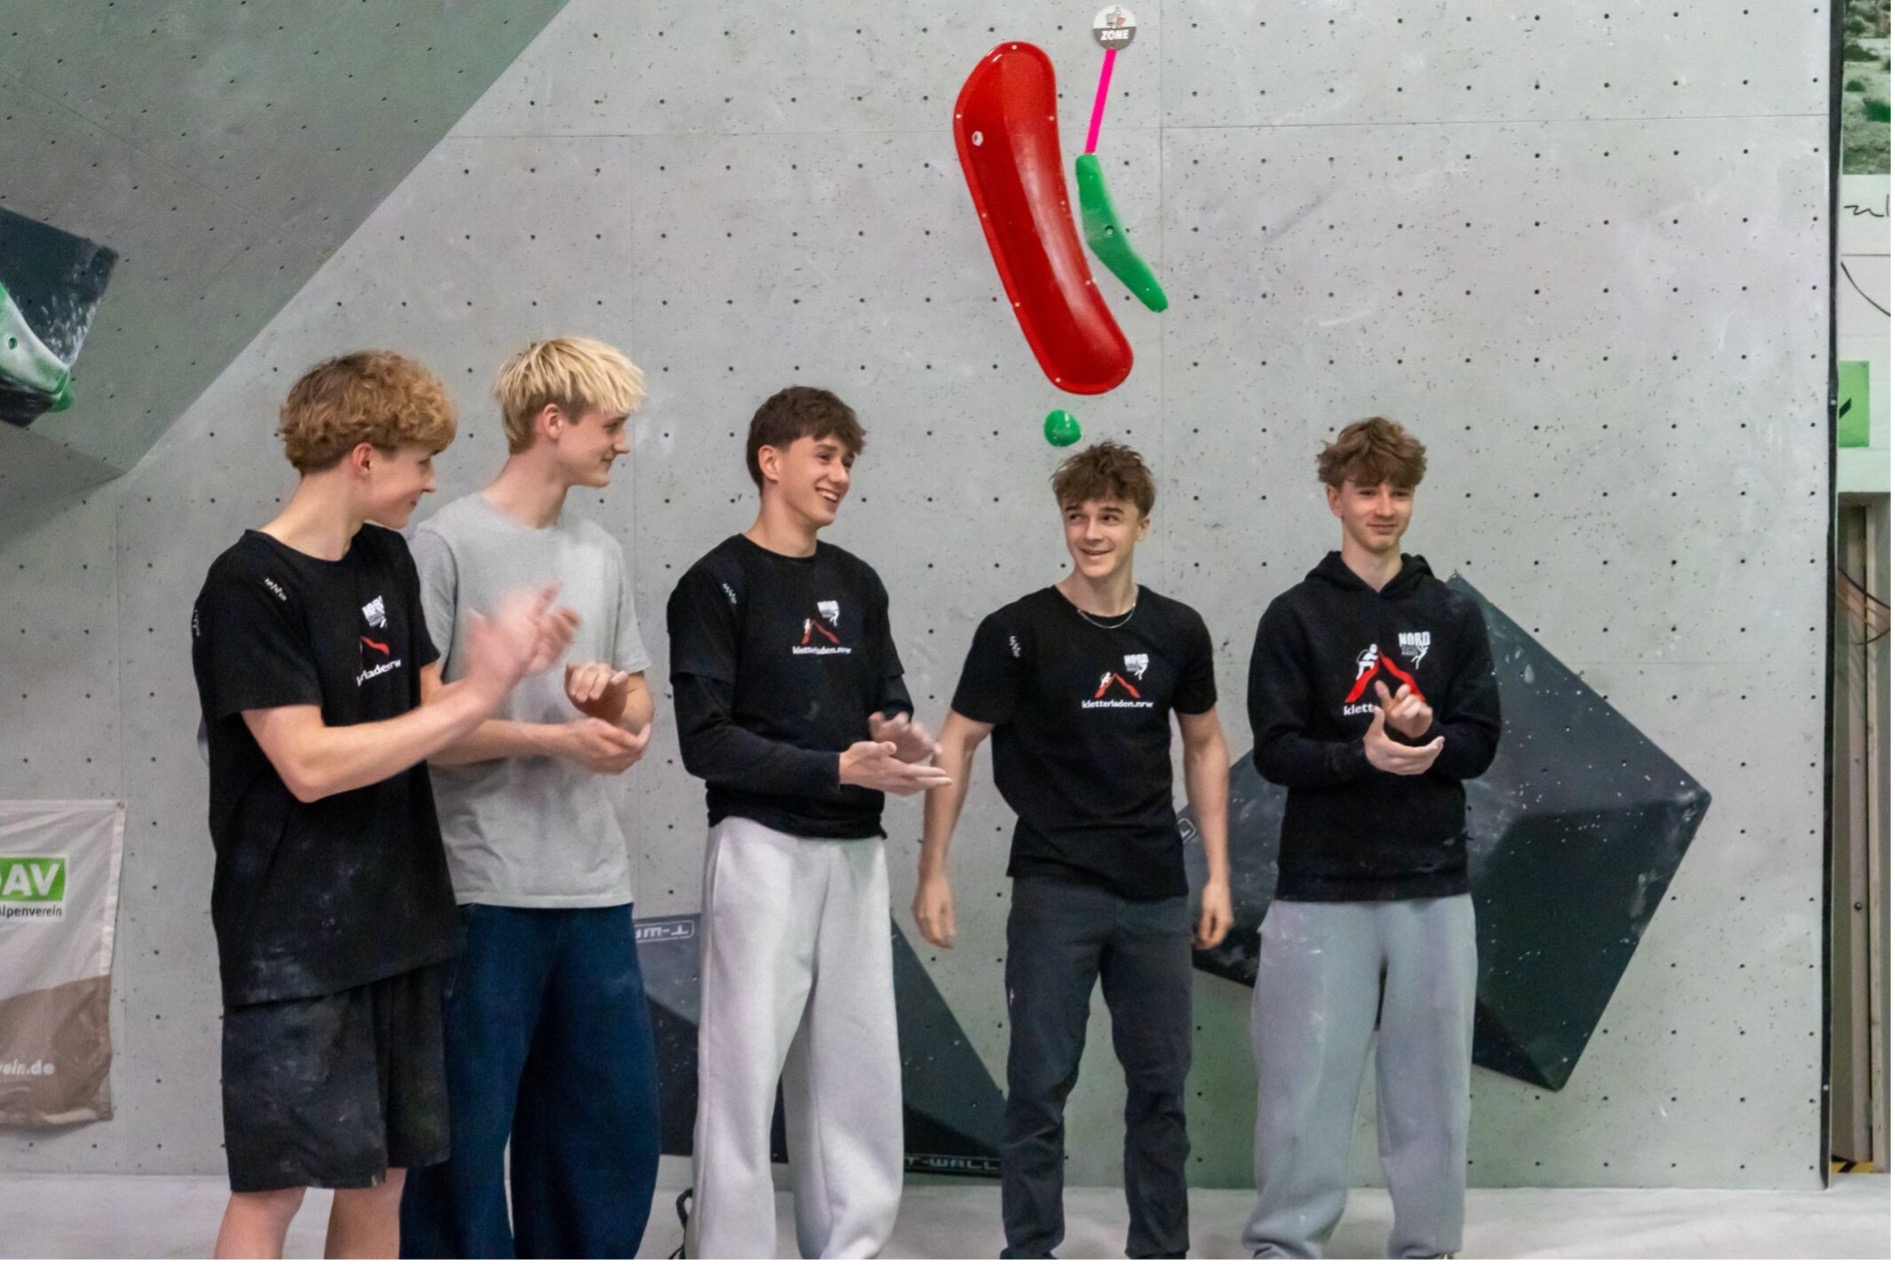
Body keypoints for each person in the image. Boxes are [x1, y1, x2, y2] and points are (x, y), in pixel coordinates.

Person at [190, 350, 571, 1259]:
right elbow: (309, 764)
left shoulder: (387, 559)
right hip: (289, 939)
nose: (431, 481)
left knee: (383, 1177)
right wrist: (478, 698)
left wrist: (501, 675)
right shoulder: (248, 587)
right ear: (363, 457)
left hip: (401, 918)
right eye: (420, 461)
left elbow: (428, 714)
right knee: (274, 1188)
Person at [914, 440, 1234, 1260]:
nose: (1091, 533)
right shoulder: (1015, 632)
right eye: (1077, 516)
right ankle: (1029, 1250)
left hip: (1155, 892)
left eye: (1109, 517)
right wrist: (933, 868)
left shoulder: (1176, 630)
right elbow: (956, 741)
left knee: (1160, 1090)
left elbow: (1204, 745)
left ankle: (1159, 1251)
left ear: (1141, 526)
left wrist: (1216, 876)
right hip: (1053, 890)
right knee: (1037, 1088)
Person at [666, 385, 950, 1258]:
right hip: (758, 848)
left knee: (856, 1068)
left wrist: (898, 737)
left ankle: (851, 1247)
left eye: (847, 460)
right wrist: (832, 768)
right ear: (770, 460)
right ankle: (728, 1251)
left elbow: (886, 698)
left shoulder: (857, 582)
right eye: (824, 455)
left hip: (855, 850)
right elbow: (705, 743)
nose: (840, 475)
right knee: (743, 1070)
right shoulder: (714, 584)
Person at [398, 337, 662, 1257]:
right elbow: (420, 730)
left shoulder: (601, 551)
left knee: (607, 1137)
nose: (622, 444)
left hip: (594, 891)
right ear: (552, 422)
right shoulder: (443, 544)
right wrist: (552, 737)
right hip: (480, 893)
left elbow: (638, 714)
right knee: (461, 1148)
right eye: (611, 424)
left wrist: (608, 700)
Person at [1240, 416, 1501, 1260]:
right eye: (1366, 491)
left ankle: (1428, 1247)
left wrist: (1426, 739)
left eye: (1398, 491)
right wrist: (1363, 754)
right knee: (1302, 1088)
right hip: (1318, 890)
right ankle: (1284, 1246)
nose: (1383, 506)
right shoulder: (1294, 616)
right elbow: (1275, 752)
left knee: (1433, 1093)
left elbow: (1479, 742)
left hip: (1433, 887)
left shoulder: (1452, 613)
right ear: (1334, 499)